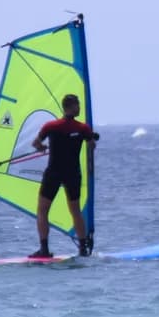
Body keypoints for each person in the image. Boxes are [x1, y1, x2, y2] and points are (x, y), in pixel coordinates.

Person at [30, 93, 98, 258]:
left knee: (43, 210)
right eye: (78, 105)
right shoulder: (83, 128)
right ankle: (83, 249)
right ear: (71, 106)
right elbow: (91, 146)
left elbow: (35, 143)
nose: (80, 108)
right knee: (75, 210)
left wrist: (42, 147)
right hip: (73, 173)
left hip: (54, 172)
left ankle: (44, 249)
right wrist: (91, 139)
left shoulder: (50, 126)